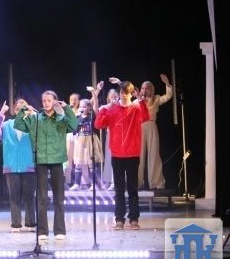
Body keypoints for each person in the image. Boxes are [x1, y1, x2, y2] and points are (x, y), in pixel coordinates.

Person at [14, 90, 78, 241]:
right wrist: (24, 110)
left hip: (57, 160)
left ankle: (59, 231)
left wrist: (66, 108)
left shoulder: (61, 119)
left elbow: (74, 125)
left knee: (59, 198)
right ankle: (42, 231)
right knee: (41, 197)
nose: (46, 103)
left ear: (55, 101)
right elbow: (18, 125)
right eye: (44, 101)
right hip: (41, 160)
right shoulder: (36, 118)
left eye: (49, 100)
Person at [95, 81, 149, 230]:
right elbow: (98, 124)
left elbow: (146, 117)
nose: (124, 95)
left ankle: (134, 219)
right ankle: (119, 219)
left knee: (132, 189)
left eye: (127, 93)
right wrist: (105, 108)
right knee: (119, 190)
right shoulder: (113, 109)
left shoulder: (136, 108)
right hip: (117, 155)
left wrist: (141, 101)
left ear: (131, 94)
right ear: (119, 93)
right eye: (122, 92)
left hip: (132, 154)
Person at [0, 99, 35, 233]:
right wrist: (1, 113)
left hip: (28, 165)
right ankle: (16, 224)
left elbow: (43, 127)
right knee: (14, 196)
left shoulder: (33, 125)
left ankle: (30, 222)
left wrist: (34, 113)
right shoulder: (7, 125)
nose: (21, 112)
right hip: (12, 166)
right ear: (15, 111)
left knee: (29, 196)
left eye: (23, 109)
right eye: (18, 109)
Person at [138, 74, 173, 190]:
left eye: (147, 88)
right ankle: (137, 182)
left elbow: (168, 96)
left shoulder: (156, 99)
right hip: (140, 128)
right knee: (139, 155)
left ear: (151, 89)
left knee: (154, 154)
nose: (145, 90)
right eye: (143, 88)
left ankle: (156, 182)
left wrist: (167, 84)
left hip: (151, 126)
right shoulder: (137, 101)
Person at [69, 98, 103, 190]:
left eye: (84, 106)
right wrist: (76, 118)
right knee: (78, 163)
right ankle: (77, 184)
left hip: (90, 140)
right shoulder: (77, 117)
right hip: (80, 141)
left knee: (91, 163)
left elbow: (95, 104)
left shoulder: (91, 116)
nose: (82, 108)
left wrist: (95, 94)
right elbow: (74, 130)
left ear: (89, 107)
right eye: (80, 106)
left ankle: (94, 184)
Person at [64, 92, 81, 188]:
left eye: (75, 99)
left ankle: (82, 182)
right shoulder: (66, 111)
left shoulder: (81, 110)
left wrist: (96, 91)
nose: (73, 101)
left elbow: (90, 103)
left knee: (79, 159)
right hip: (69, 136)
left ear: (78, 101)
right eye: (71, 99)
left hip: (79, 136)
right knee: (68, 159)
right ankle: (67, 181)